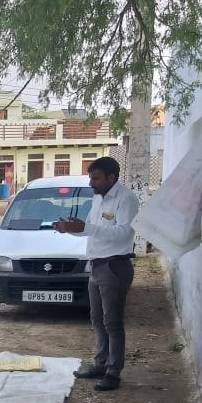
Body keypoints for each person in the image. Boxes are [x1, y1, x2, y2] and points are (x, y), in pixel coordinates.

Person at [53, 156, 140, 391]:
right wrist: (70, 230)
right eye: (91, 178)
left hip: (115, 266)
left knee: (112, 322)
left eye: (96, 178)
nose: (91, 183)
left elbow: (123, 233)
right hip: (96, 265)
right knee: (97, 320)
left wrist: (86, 228)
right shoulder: (98, 198)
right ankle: (100, 364)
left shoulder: (126, 199)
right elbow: (91, 231)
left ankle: (113, 373)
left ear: (112, 177)